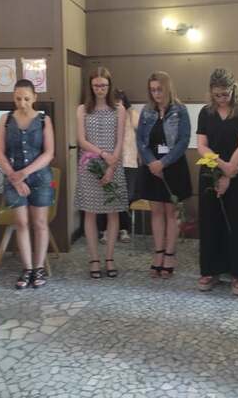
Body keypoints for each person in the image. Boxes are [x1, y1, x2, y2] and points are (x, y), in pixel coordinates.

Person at [196, 68, 238, 295]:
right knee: (210, 221)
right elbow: (202, 146)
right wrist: (223, 167)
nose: (222, 98)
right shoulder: (206, 112)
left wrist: (230, 174)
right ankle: (210, 270)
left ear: (234, 89)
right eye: (217, 95)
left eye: (226, 94)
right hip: (211, 171)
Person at [0, 79, 55, 290]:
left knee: (40, 223)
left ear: (35, 97)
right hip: (13, 177)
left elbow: (49, 153)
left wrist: (25, 173)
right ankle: (27, 268)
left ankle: (39, 268)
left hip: (39, 177)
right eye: (18, 98)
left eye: (27, 99)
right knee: (21, 222)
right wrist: (14, 176)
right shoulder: (5, 119)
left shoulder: (44, 120)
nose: (22, 103)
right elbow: (0, 152)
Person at [136, 72, 192, 278]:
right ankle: (158, 253)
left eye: (159, 89)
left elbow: (183, 141)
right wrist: (152, 162)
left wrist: (163, 163)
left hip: (173, 166)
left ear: (167, 88)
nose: (156, 94)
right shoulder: (146, 111)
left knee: (171, 212)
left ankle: (170, 254)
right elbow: (140, 140)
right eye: (152, 90)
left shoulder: (180, 110)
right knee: (156, 212)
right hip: (152, 167)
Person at [75, 67, 129, 278]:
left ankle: (109, 258)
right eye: (96, 85)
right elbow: (81, 140)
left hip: (113, 165)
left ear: (109, 86)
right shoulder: (82, 109)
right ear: (90, 86)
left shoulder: (119, 109)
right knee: (90, 213)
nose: (100, 89)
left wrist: (111, 166)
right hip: (90, 165)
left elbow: (120, 140)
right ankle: (94, 259)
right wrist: (103, 154)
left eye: (104, 85)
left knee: (112, 212)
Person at [98, 89, 139, 244]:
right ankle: (105, 230)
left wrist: (129, 110)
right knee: (106, 196)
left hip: (129, 161)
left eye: (119, 101)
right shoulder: (105, 115)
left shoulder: (131, 114)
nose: (116, 105)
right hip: (109, 162)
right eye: (114, 101)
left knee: (126, 197)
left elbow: (140, 128)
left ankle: (124, 229)